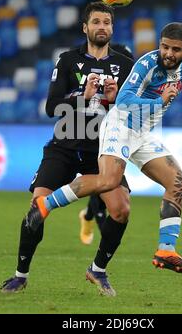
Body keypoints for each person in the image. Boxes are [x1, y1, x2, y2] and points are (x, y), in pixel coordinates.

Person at [25, 22, 182, 292]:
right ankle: (45, 205)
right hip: (121, 125)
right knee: (108, 181)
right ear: (159, 44)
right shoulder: (147, 65)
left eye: (175, 49)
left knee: (179, 183)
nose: (168, 53)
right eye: (164, 47)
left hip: (143, 133)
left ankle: (166, 250)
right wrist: (159, 102)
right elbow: (123, 100)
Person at [0, 2, 134, 296]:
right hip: (65, 145)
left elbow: (132, 112)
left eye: (107, 22)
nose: (102, 27)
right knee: (38, 207)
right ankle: (20, 275)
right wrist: (81, 96)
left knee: (121, 210)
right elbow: (51, 107)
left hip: (102, 150)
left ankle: (97, 270)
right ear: (85, 28)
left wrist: (114, 101)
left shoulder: (125, 66)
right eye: (96, 22)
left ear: (112, 28)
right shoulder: (68, 60)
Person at [79, 43, 135, 245]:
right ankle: (90, 220)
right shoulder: (93, 73)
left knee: (105, 184)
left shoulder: (128, 76)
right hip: (90, 137)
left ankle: (87, 217)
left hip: (113, 139)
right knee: (102, 185)